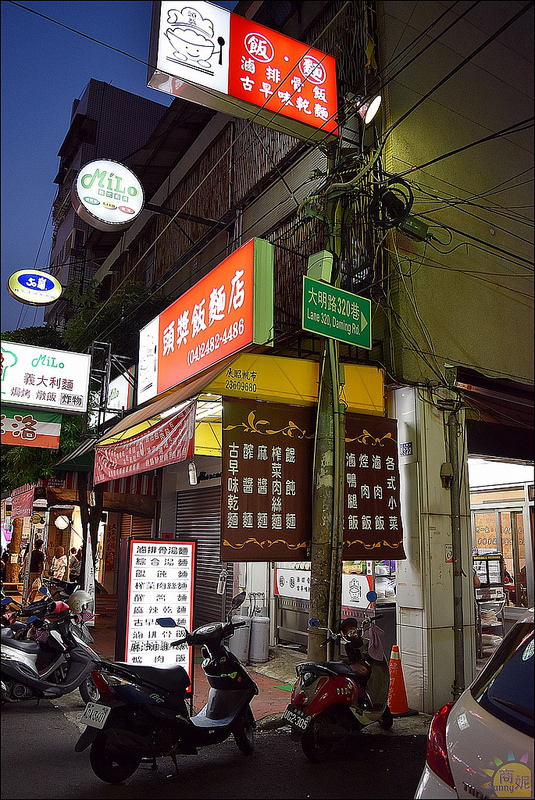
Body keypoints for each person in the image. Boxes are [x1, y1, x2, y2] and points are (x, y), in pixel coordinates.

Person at [25, 538, 45, 603]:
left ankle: (26, 599)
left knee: (31, 586)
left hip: (31, 570)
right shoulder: (41, 554)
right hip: (37, 571)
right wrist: (42, 571)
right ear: (40, 545)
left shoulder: (31, 553)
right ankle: (31, 600)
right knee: (36, 587)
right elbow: (41, 563)